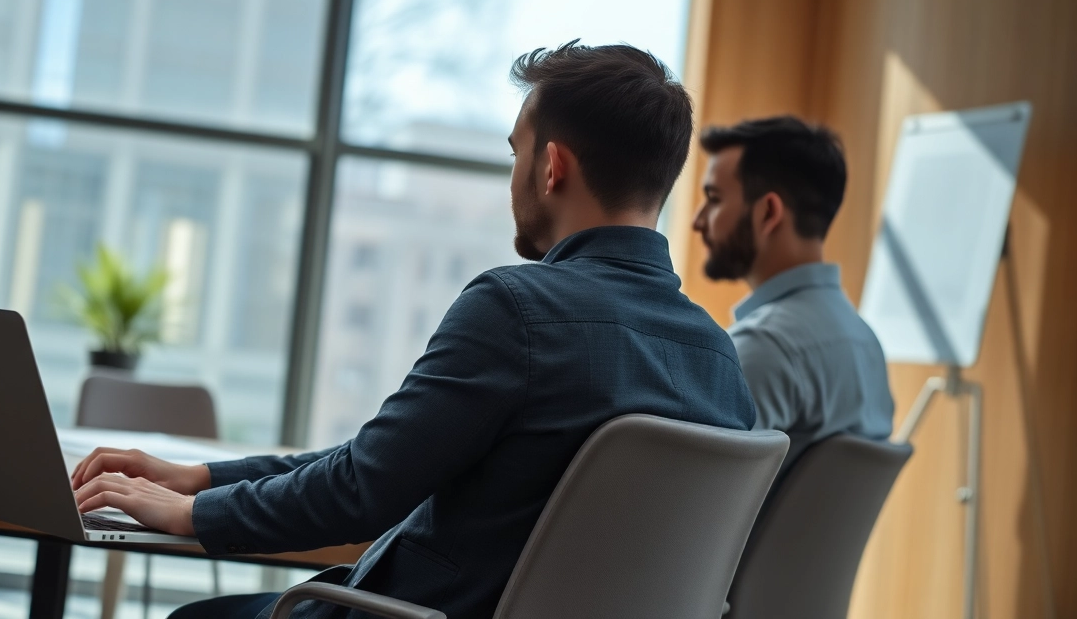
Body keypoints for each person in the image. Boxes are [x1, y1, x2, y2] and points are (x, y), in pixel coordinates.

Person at [71, 41, 757, 619]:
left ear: (552, 167)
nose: (513, 175)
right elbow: (384, 460)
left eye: (517, 152)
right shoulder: (721, 364)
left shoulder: (517, 310)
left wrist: (195, 514)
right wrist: (203, 477)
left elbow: (361, 490)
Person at [692, 116, 894, 475]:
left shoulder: (764, 347)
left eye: (714, 199)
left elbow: (693, 495)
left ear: (769, 212)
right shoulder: (867, 344)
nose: (698, 220)